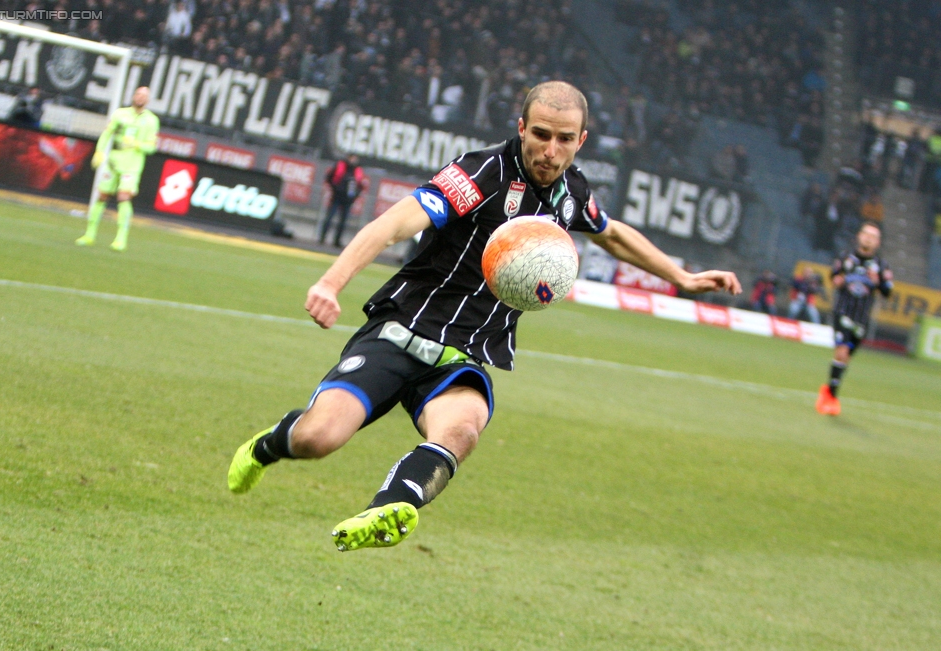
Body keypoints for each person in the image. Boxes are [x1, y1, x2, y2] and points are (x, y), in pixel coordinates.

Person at [227, 81, 742, 552]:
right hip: (402, 331)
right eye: (540, 135)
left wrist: (682, 278)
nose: (550, 150)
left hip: (463, 356)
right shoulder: (480, 174)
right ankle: (267, 446)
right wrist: (330, 282)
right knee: (319, 439)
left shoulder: (571, 193)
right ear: (521, 128)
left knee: (462, 429)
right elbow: (393, 222)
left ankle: (387, 507)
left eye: (564, 139)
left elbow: (612, 232)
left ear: (581, 140)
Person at [815, 222, 893, 416]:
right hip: (843, 311)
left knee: (846, 357)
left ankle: (829, 390)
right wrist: (837, 281)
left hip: (862, 317)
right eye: (866, 234)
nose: (868, 238)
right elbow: (833, 276)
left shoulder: (881, 266)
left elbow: (888, 291)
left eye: (873, 236)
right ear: (859, 236)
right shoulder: (845, 257)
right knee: (841, 351)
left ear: (878, 242)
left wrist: (877, 282)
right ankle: (831, 399)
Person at [75, 87, 160, 251]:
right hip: (114, 161)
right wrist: (100, 151)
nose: (140, 98)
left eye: (144, 96)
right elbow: (107, 133)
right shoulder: (120, 114)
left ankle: (121, 239)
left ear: (148, 100)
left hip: (132, 164)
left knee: (123, 196)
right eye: (138, 94)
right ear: (133, 96)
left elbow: (152, 147)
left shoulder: (151, 120)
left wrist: (135, 144)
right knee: (102, 195)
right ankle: (89, 234)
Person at [318, 154, 367, 248]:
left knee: (343, 221)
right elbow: (329, 177)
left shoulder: (358, 170)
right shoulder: (340, 165)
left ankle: (337, 240)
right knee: (329, 217)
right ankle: (322, 238)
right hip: (336, 197)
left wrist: (355, 195)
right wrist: (335, 188)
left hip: (348, 200)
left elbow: (361, 185)